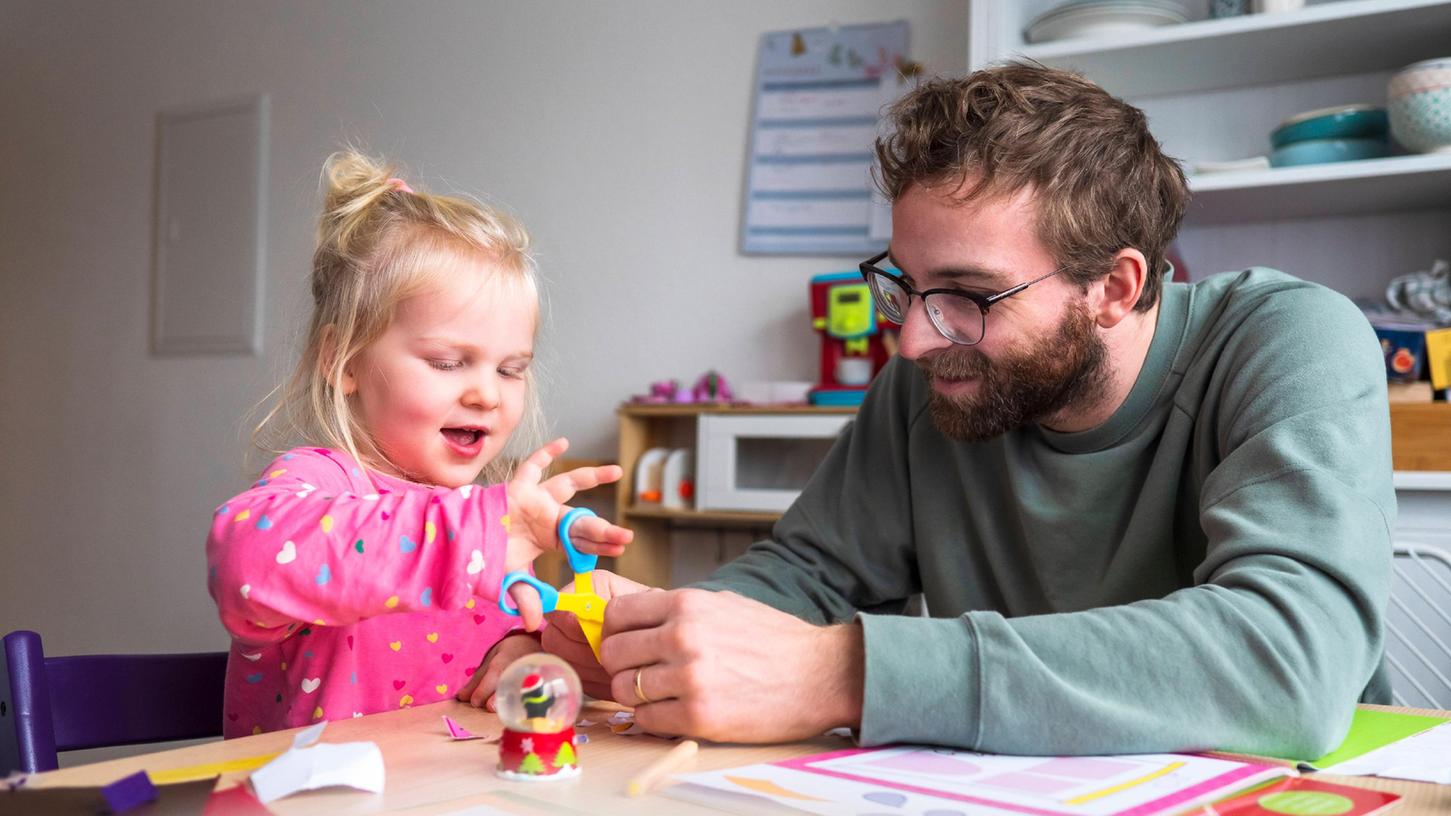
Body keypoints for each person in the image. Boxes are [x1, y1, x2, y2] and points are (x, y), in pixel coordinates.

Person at [546, 63, 1395, 758]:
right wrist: (648, 639)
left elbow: (1290, 663)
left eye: (967, 295)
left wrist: (846, 673)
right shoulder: (932, 382)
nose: (914, 340)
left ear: (1114, 287)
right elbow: (806, 577)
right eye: (907, 288)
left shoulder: (1289, 339)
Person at [206, 150, 632, 736]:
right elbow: (245, 562)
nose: (487, 394)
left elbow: (476, 674)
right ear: (344, 360)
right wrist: (479, 535)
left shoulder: (488, 517)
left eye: (511, 370)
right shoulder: (325, 484)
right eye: (449, 362)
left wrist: (529, 648)